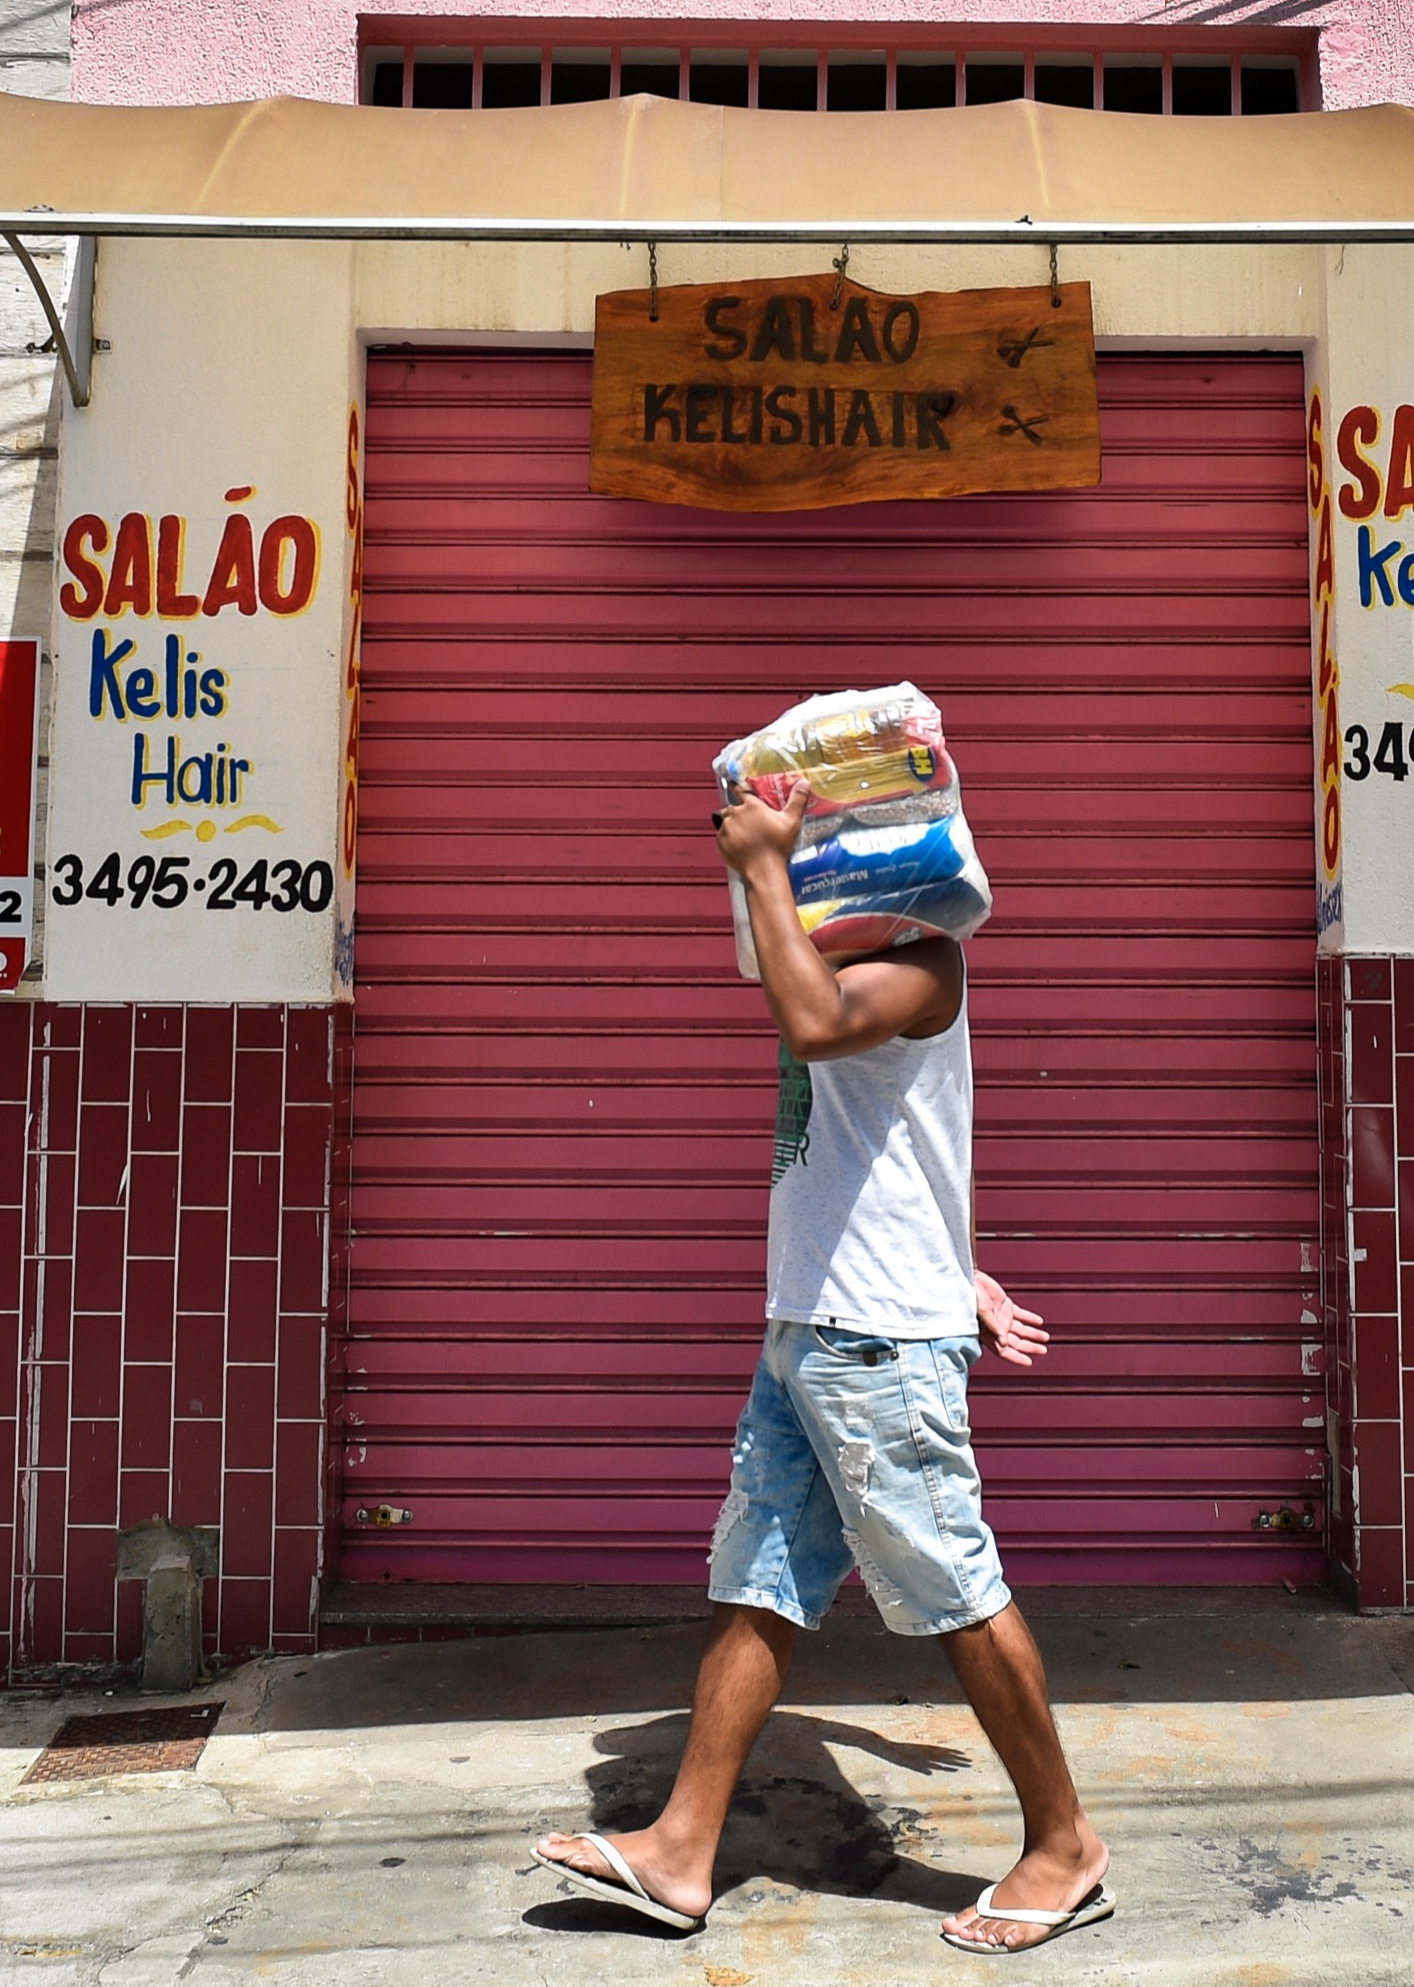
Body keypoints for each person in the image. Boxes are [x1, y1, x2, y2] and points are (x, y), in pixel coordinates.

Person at [531, 775, 1113, 1957]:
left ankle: (1065, 1847)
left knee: (952, 1587)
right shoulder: (844, 960)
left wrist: (761, 865)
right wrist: (963, 1270)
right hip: (813, 1326)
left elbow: (808, 1021)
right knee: (759, 1581)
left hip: (876, 1342)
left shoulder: (925, 962)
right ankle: (682, 1851)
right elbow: (884, 1136)